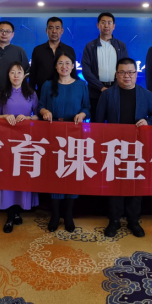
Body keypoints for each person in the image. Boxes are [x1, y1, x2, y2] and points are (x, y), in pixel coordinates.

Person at [95, 57, 152, 238]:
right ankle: (114, 220)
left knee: (135, 183)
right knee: (114, 184)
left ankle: (133, 220)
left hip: (138, 147)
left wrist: (148, 121)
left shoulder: (146, 94)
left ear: (136, 74)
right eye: (122, 72)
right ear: (116, 75)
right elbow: (98, 122)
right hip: (113, 146)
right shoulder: (107, 95)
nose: (127, 76)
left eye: (130, 72)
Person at [38, 51, 90, 233]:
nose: (64, 66)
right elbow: (40, 106)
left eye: (68, 63)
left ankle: (68, 214)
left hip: (74, 133)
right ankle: (55, 214)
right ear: (55, 66)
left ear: (73, 66)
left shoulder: (81, 85)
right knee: (55, 172)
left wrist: (82, 114)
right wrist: (45, 112)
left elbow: (87, 107)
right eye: (60, 63)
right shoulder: (47, 85)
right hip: (53, 133)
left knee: (72, 171)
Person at [0, 62, 39, 233]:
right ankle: (10, 215)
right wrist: (5, 116)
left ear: (24, 75)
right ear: (8, 75)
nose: (16, 75)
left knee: (22, 175)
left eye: (19, 72)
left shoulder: (31, 93)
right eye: (12, 72)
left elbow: (38, 116)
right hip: (6, 141)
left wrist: (28, 118)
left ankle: (19, 211)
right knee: (8, 177)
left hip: (25, 142)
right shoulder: (2, 94)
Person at [82, 13, 129, 120]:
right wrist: (101, 87)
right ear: (98, 25)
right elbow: (86, 70)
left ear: (114, 26)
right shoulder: (90, 46)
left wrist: (115, 87)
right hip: (95, 92)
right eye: (103, 22)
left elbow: (125, 68)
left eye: (109, 23)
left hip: (116, 90)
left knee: (115, 122)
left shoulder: (121, 46)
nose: (106, 25)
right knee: (96, 123)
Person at [0, 21, 30, 96]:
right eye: (1, 30)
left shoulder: (19, 51)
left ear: (12, 34)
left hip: (13, 94)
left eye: (7, 31)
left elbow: (25, 71)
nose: (4, 33)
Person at [29, 17, 77, 94]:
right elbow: (33, 73)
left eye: (57, 28)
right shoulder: (38, 50)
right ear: (46, 30)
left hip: (65, 92)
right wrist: (31, 92)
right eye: (51, 28)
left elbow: (73, 72)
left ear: (62, 31)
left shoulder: (69, 50)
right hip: (42, 92)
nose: (54, 31)